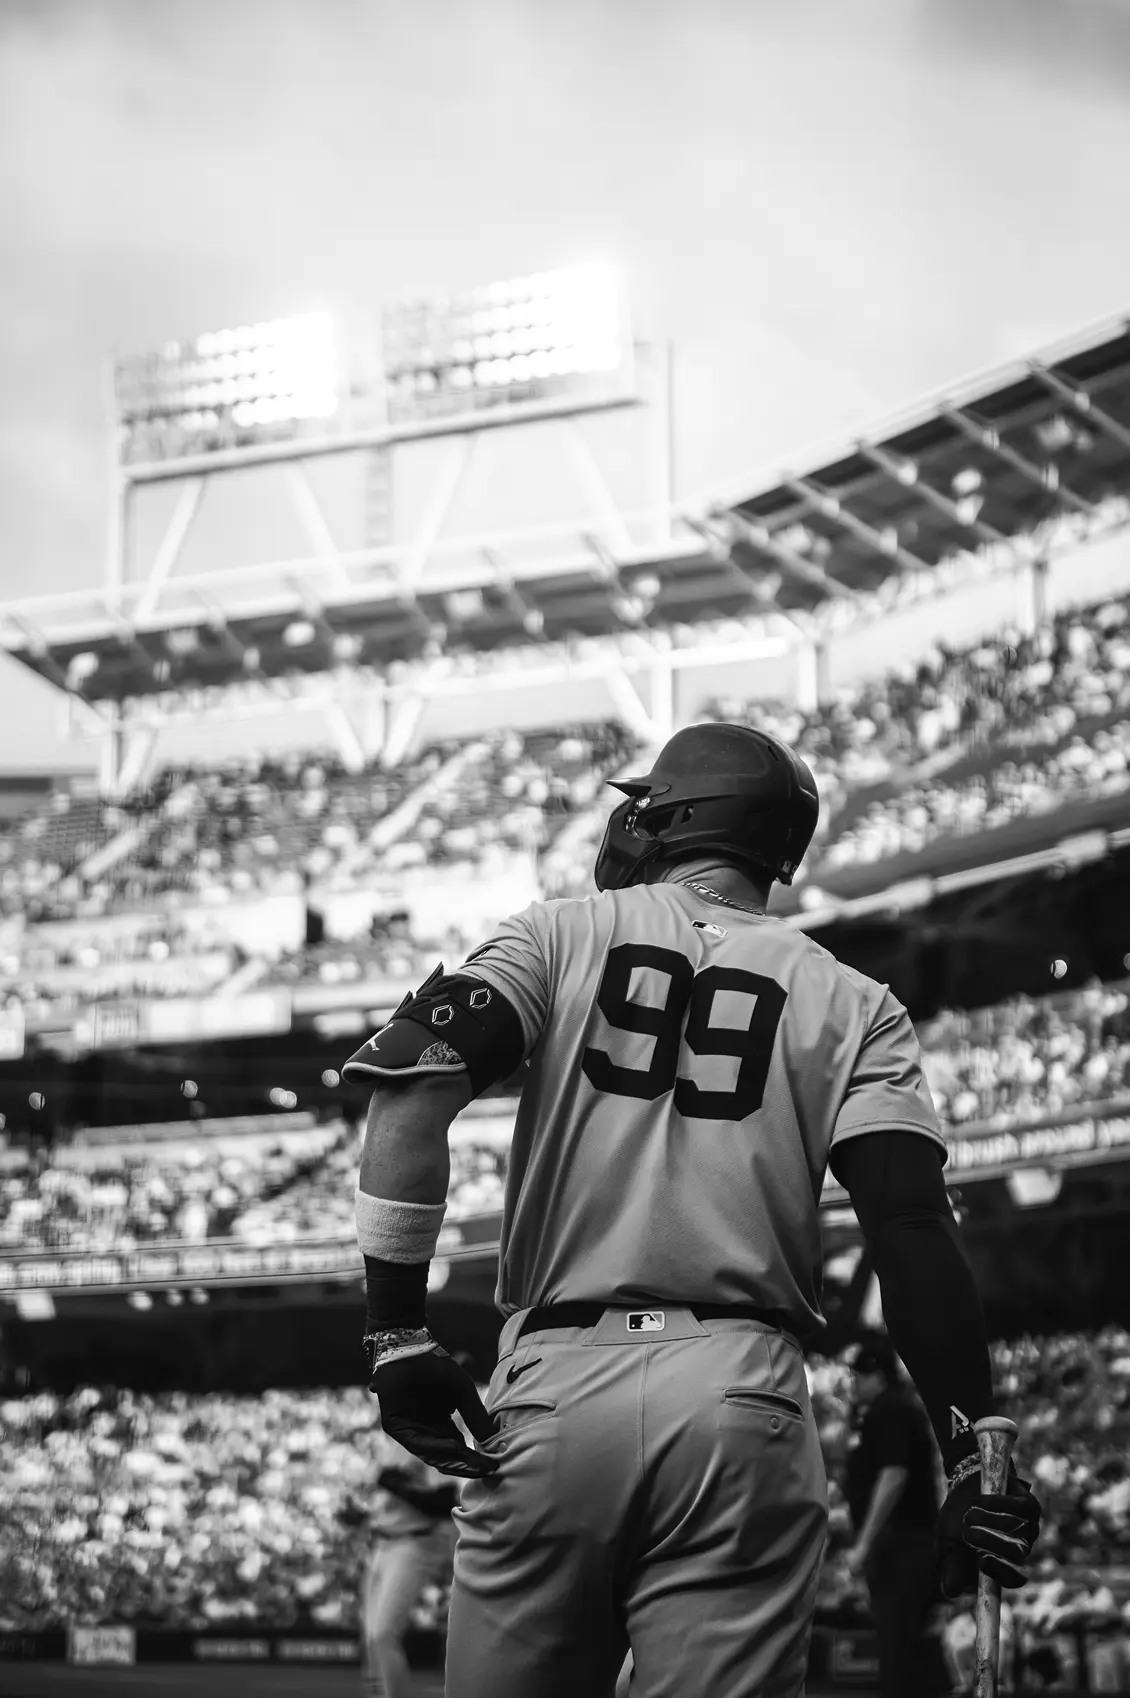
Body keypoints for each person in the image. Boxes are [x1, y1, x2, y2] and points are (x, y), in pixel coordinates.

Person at [341, 722, 1042, 1698]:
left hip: (553, 1387)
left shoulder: (555, 933)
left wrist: (395, 1335)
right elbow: (911, 1228)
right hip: (739, 1396)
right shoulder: (853, 1001)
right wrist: (972, 1444)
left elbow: (409, 1087)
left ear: (663, 816)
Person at [845, 1337, 944, 1697]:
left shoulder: (890, 1410)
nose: (853, 1382)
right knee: (911, 1647)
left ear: (878, 1375)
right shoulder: (894, 1408)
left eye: (859, 1374)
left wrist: (864, 1543)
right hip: (907, 1543)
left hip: (901, 1545)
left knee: (899, 1650)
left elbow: (894, 1475)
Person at [345, 1441, 456, 1698]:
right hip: (381, 1543)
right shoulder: (390, 1441)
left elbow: (443, 1502)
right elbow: (386, 1499)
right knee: (371, 1638)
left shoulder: (433, 1438)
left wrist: (395, 1484)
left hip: (413, 1544)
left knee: (383, 1634)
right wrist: (360, 1513)